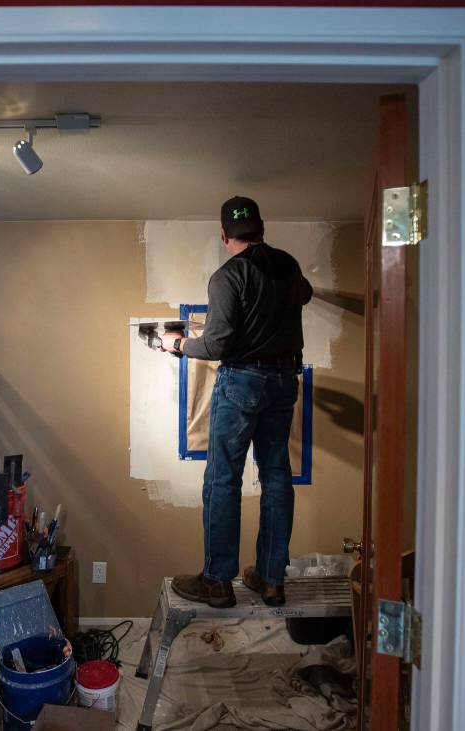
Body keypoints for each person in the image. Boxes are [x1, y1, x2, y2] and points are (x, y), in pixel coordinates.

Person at [157, 196, 312, 608]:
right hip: (284, 381)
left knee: (223, 477)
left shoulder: (228, 276)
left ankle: (218, 581)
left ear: (225, 236)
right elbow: (306, 294)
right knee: (277, 476)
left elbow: (217, 344)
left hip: (243, 380)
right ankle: (270, 578)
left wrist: (179, 344)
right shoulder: (288, 265)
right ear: (261, 229)